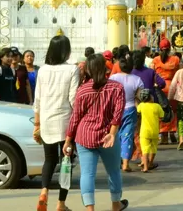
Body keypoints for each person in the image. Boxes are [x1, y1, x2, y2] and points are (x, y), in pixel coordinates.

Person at [63, 54, 128, 211]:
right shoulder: (117, 88)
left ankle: (90, 209)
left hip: (84, 136)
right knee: (113, 172)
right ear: (104, 67)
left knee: (87, 174)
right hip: (108, 136)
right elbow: (118, 114)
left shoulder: (82, 90)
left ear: (88, 70)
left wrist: (68, 140)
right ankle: (115, 205)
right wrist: (112, 133)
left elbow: (76, 117)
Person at [34, 34, 80, 211]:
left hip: (46, 120)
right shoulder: (72, 70)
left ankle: (44, 191)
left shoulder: (43, 70)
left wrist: (36, 125)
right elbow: (73, 99)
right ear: (65, 51)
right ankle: (61, 203)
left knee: (49, 159)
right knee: (66, 163)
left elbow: (37, 100)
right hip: (65, 122)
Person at [109, 55, 143, 172]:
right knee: (127, 136)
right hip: (130, 109)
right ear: (132, 66)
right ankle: (125, 164)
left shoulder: (113, 78)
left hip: (114, 110)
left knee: (114, 135)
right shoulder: (137, 79)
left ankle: (115, 161)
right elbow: (139, 97)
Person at [151, 38, 180, 145]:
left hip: (160, 88)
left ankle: (164, 136)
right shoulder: (175, 59)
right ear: (170, 48)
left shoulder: (155, 60)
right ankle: (172, 131)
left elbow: (152, 74)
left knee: (162, 111)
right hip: (172, 87)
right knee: (173, 110)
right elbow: (178, 73)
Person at [136, 88, 163, 173]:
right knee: (153, 148)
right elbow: (162, 116)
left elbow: (137, 109)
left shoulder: (142, 106)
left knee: (145, 149)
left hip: (144, 131)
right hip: (155, 131)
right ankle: (151, 163)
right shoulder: (157, 106)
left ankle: (145, 167)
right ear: (150, 97)